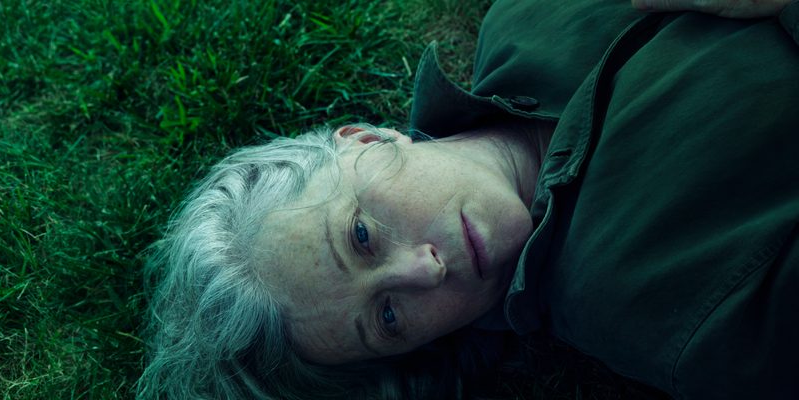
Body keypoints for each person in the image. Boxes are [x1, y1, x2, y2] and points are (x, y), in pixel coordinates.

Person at [136, 0, 799, 398]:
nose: (425, 271)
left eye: (362, 237)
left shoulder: (525, 17)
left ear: (363, 139)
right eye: (389, 317)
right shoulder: (671, 315)